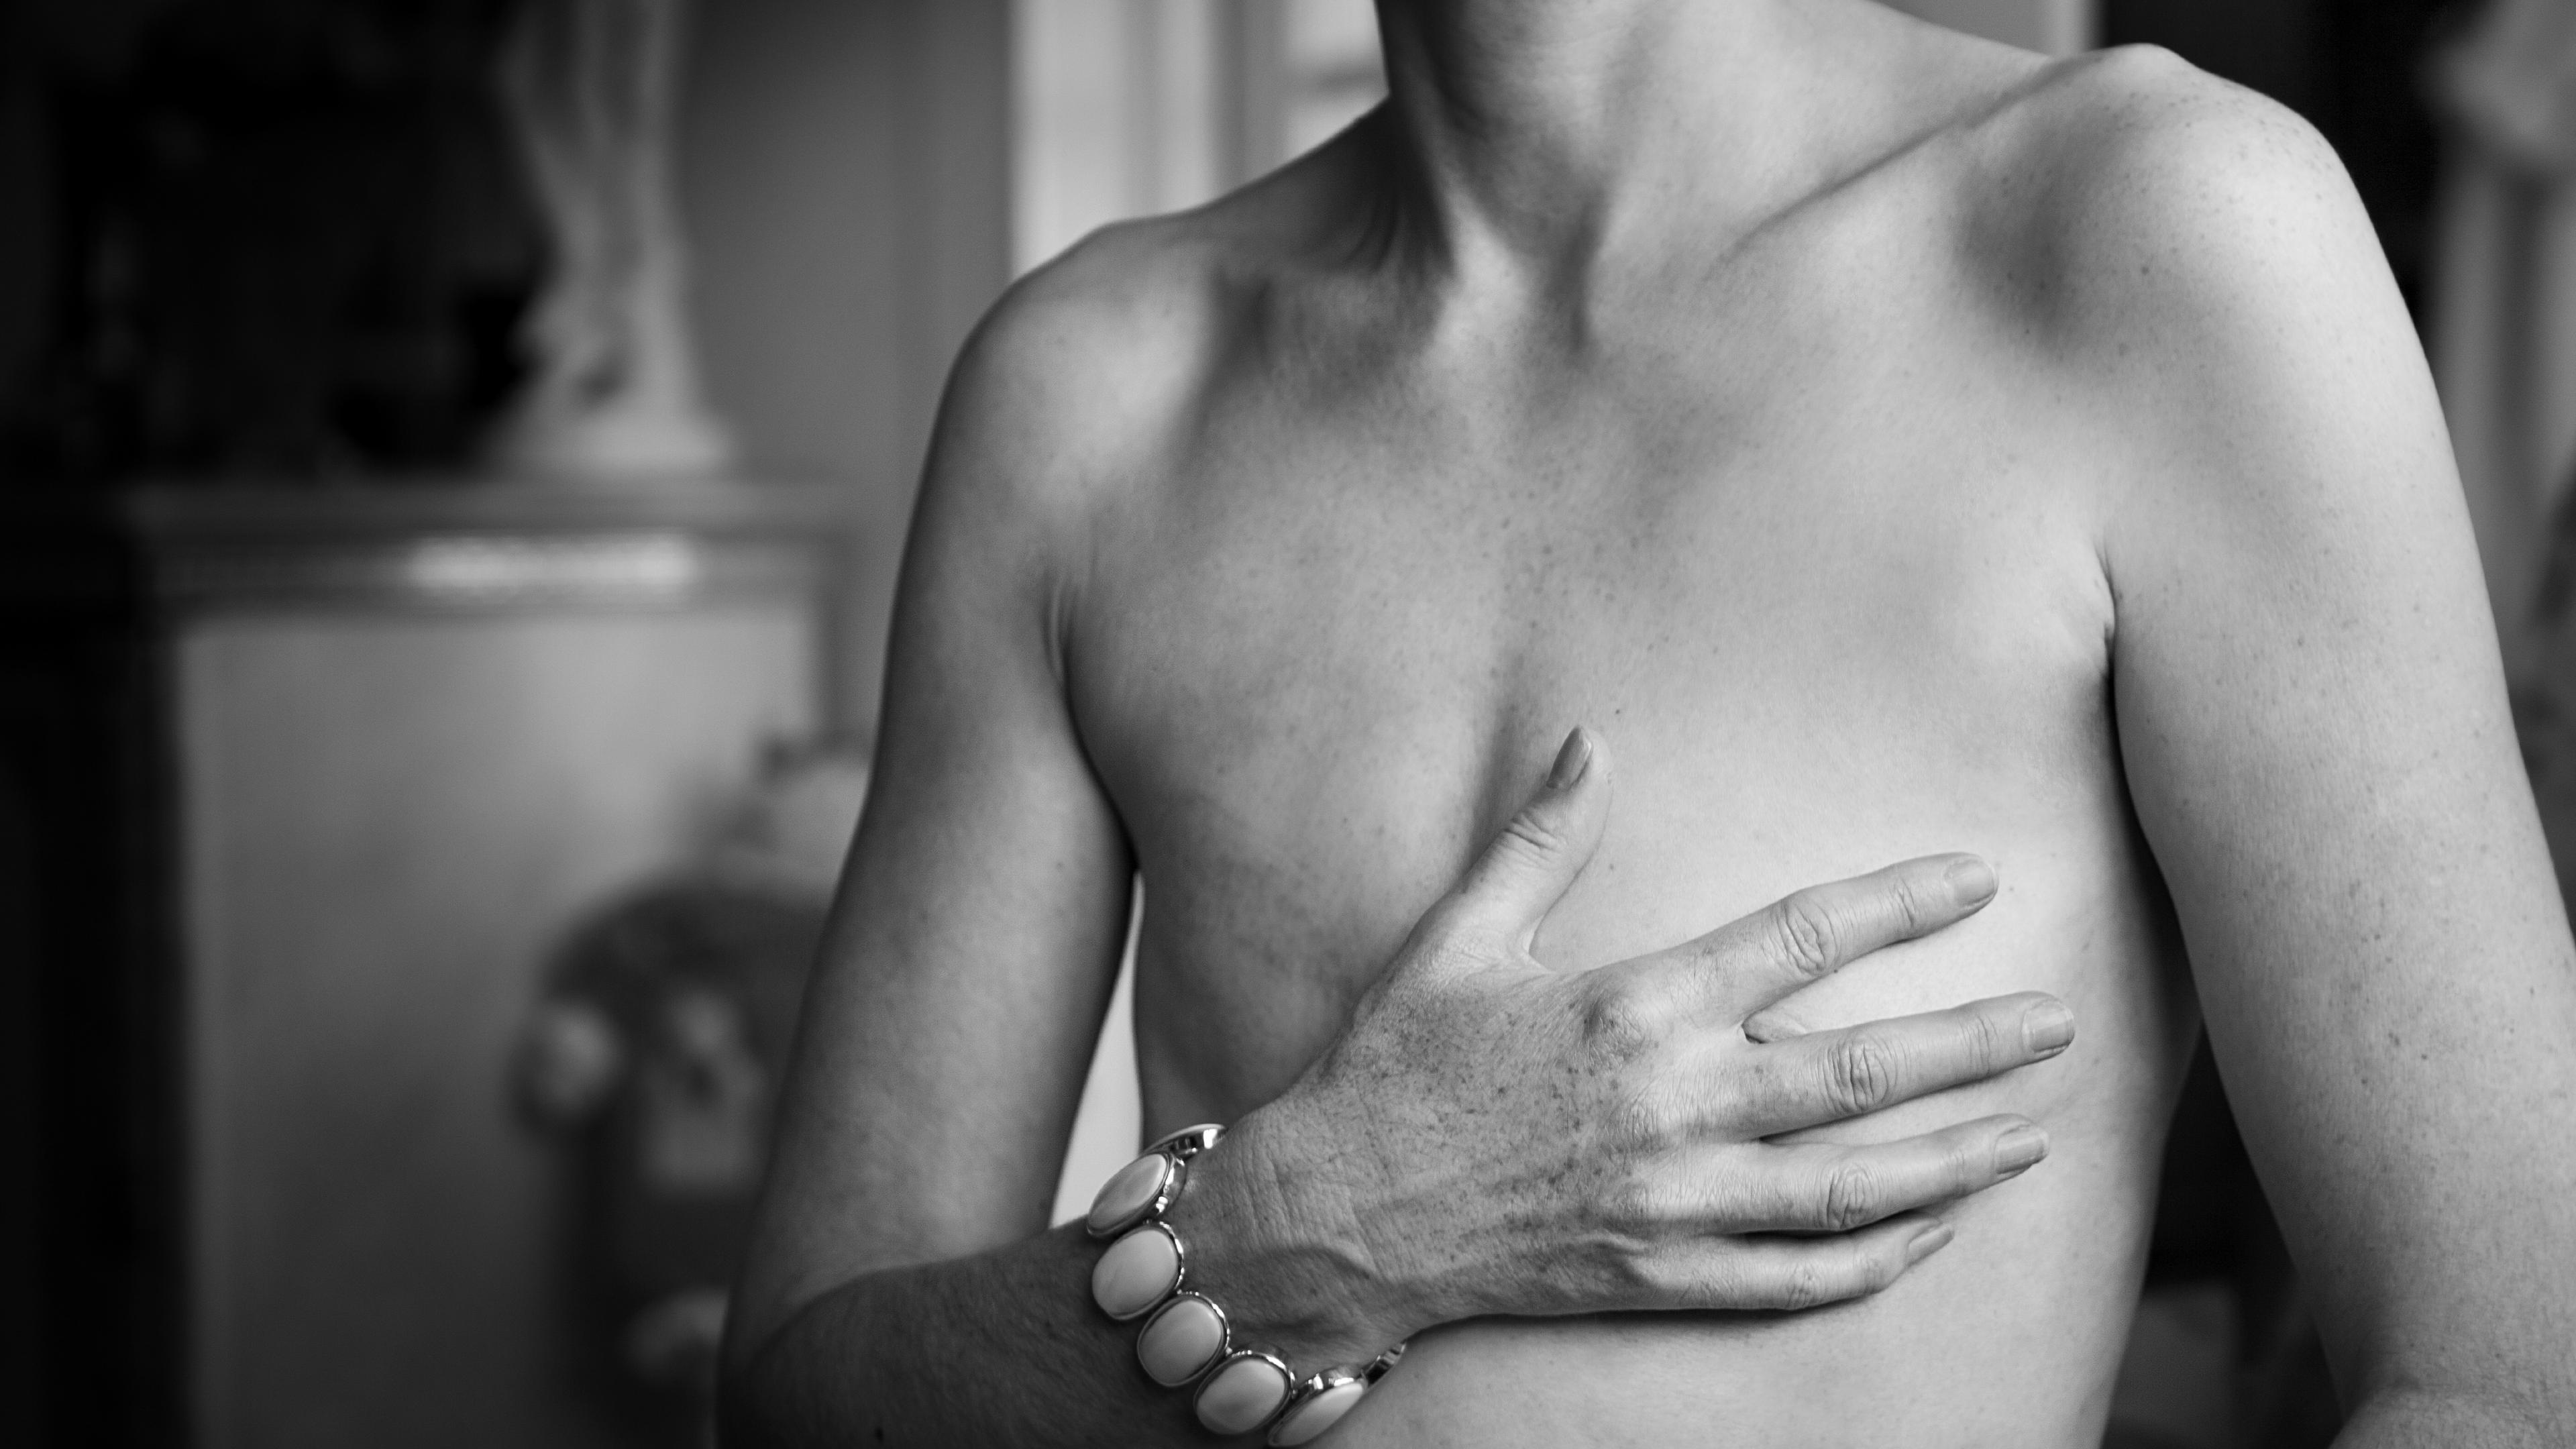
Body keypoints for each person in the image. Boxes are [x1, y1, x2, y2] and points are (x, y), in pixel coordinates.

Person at [721, 1, 2576, 1444]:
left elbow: (2519, 1371)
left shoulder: (2149, 238)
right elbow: (802, 1395)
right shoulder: (1088, 398)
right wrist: (1298, 1230)